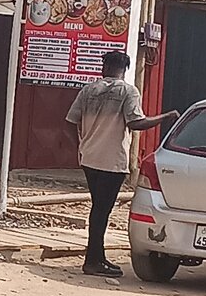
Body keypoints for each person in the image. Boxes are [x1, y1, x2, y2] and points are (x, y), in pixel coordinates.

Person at [66, 50, 179, 277]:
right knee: (102, 211)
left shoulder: (88, 90)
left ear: (105, 67)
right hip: (113, 161)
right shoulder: (128, 91)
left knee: (98, 209)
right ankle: (93, 260)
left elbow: (70, 121)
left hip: (89, 158)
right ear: (124, 69)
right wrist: (165, 117)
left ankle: (97, 257)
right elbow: (136, 123)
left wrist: (80, 145)